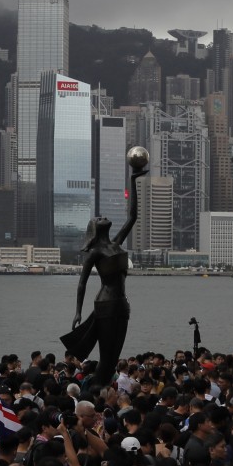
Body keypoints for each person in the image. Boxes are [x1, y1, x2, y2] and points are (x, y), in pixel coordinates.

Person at [61, 161, 146, 387]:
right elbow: (82, 284)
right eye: (98, 218)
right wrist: (78, 311)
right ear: (95, 229)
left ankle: (103, 387)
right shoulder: (95, 253)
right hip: (105, 304)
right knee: (107, 355)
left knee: (114, 354)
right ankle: (97, 391)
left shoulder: (116, 243)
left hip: (122, 304)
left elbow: (133, 216)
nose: (103, 217)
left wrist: (133, 180)